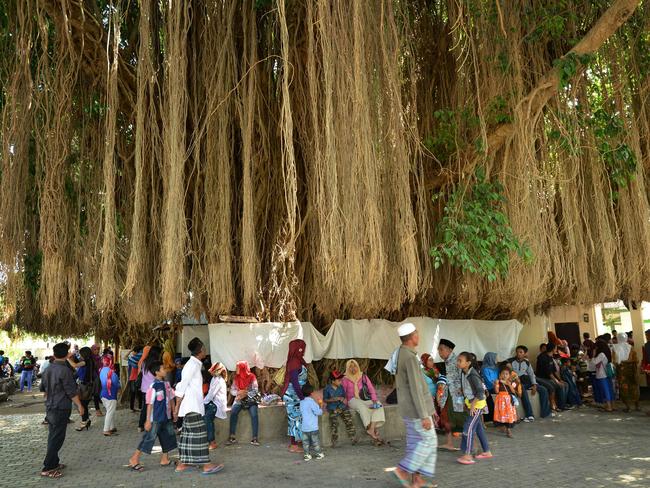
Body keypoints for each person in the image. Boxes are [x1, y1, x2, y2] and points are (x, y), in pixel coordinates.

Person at [393, 323, 438, 488]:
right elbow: (416, 388)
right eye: (417, 334)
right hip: (417, 411)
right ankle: (402, 470)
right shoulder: (410, 358)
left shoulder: (401, 353)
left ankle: (417, 481)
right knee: (430, 442)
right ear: (412, 337)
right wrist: (424, 415)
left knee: (415, 443)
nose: (418, 336)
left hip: (409, 409)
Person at [174, 337, 223, 475]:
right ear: (200, 351)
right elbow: (182, 385)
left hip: (192, 406)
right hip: (192, 406)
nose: (205, 351)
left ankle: (182, 464)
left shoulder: (194, 364)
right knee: (200, 436)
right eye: (204, 349)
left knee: (188, 436)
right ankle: (206, 465)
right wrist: (177, 406)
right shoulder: (192, 365)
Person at [40, 342, 85, 479]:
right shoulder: (65, 370)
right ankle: (48, 467)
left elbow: (43, 389)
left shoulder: (48, 369)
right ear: (66, 355)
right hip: (61, 407)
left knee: (53, 436)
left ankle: (54, 462)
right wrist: (80, 406)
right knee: (57, 438)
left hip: (50, 407)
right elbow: (71, 391)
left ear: (54, 354)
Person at [128, 360, 178, 471]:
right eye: (163, 369)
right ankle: (134, 459)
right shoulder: (153, 386)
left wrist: (174, 412)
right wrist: (147, 420)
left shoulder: (167, 384)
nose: (165, 370)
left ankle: (165, 459)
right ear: (157, 372)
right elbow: (149, 404)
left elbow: (171, 399)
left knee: (168, 437)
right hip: (155, 418)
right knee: (148, 438)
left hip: (166, 417)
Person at [457, 352, 492, 465]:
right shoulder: (464, 372)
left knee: (468, 429)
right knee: (478, 429)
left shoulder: (473, 375)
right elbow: (469, 388)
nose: (458, 362)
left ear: (468, 363)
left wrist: (472, 406)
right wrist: (463, 393)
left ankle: (468, 455)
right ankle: (487, 451)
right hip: (472, 404)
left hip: (476, 406)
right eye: (458, 360)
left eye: (460, 360)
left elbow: (480, 392)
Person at [342, 359, 386, 446]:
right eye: (350, 367)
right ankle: (372, 431)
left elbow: (370, 389)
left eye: (354, 366)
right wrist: (345, 404)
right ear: (347, 368)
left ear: (357, 366)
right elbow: (343, 393)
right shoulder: (345, 378)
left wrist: (374, 400)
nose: (353, 368)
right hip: (352, 399)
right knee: (362, 407)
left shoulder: (363, 376)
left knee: (378, 405)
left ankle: (371, 429)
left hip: (365, 398)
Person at [437, 338, 466, 451]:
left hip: (457, 395)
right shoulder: (447, 361)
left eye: (441, 350)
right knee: (445, 417)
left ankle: (473, 445)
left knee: (462, 418)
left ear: (449, 350)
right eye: (438, 350)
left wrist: (463, 390)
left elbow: (463, 375)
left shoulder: (457, 360)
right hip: (448, 394)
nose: (439, 352)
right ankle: (449, 443)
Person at [509, 345, 551, 419]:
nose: (518, 353)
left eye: (521, 352)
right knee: (523, 391)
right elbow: (506, 370)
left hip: (526, 381)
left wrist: (534, 385)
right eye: (517, 352)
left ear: (525, 353)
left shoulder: (527, 363)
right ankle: (529, 414)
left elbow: (531, 374)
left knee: (543, 390)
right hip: (516, 382)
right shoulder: (510, 361)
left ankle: (545, 413)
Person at [281, 339, 308, 453]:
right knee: (294, 419)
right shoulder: (294, 362)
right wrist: (302, 397)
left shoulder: (297, 360)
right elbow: (295, 382)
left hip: (297, 394)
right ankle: (293, 445)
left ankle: (298, 441)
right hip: (293, 395)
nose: (303, 351)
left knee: (298, 418)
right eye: (302, 348)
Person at [227, 360, 260, 446]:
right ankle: (232, 436)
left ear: (242, 368)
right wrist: (238, 393)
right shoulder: (236, 378)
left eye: (238, 367)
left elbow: (255, 390)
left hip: (250, 400)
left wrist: (245, 393)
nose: (236, 369)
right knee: (233, 412)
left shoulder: (252, 377)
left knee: (254, 414)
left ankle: (255, 438)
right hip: (239, 399)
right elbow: (232, 390)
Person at [323, 370, 357, 447]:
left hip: (342, 406)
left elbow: (344, 397)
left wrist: (343, 399)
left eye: (341, 380)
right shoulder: (327, 389)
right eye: (338, 380)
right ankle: (334, 441)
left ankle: (353, 438)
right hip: (332, 408)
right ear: (332, 381)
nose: (340, 382)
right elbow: (325, 399)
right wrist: (334, 399)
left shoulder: (341, 387)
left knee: (349, 420)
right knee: (334, 423)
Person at [535, 343, 570, 411]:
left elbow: (554, 371)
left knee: (566, 384)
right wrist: (557, 381)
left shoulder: (551, 357)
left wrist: (560, 379)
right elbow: (549, 373)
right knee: (560, 386)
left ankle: (563, 404)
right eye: (556, 348)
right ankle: (560, 406)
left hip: (549, 377)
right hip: (541, 378)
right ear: (553, 349)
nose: (556, 350)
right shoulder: (542, 357)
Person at [612, 332, 640, 412]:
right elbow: (636, 360)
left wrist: (620, 364)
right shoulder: (631, 347)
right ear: (626, 338)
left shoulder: (614, 347)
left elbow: (614, 361)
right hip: (631, 370)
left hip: (621, 370)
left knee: (624, 388)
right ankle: (637, 406)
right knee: (634, 386)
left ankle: (628, 407)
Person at [73, 346, 98, 431]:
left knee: (81, 404)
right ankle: (86, 420)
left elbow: (75, 365)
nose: (80, 356)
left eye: (80, 354)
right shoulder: (90, 361)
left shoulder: (86, 362)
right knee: (83, 404)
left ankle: (84, 421)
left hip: (85, 386)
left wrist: (67, 358)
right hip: (87, 385)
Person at [204, 362, 228, 450]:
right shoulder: (214, 378)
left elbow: (211, 394)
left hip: (217, 404)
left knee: (207, 418)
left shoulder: (218, 380)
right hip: (213, 402)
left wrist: (203, 403)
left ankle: (212, 442)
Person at [139, 345, 162, 431]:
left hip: (144, 388)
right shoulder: (156, 363)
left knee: (145, 407)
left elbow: (143, 373)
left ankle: (140, 425)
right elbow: (157, 375)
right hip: (153, 388)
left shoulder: (144, 362)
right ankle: (151, 424)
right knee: (154, 407)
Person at [299, 384, 324, 461]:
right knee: (315, 442)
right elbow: (318, 412)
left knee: (305, 443)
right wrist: (320, 406)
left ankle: (307, 455)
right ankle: (318, 454)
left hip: (304, 427)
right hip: (313, 427)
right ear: (312, 393)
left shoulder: (302, 402)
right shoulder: (312, 402)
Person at [493, 364, 517, 438]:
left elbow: (513, 392)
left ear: (509, 375)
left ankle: (508, 430)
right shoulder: (498, 382)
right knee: (501, 414)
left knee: (508, 415)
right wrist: (496, 384)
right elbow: (497, 391)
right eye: (503, 373)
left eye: (507, 374)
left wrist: (509, 385)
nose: (505, 375)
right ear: (500, 375)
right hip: (501, 401)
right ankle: (503, 427)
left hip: (508, 401)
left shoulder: (511, 383)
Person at [99, 355, 121, 436]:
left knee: (109, 411)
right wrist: (120, 385)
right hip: (110, 395)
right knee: (110, 412)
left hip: (103, 394)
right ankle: (106, 430)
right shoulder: (112, 372)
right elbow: (116, 384)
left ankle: (112, 427)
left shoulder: (101, 370)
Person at [591, 340, 615, 412]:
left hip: (602, 374)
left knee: (606, 390)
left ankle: (609, 406)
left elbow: (594, 362)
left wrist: (593, 354)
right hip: (608, 374)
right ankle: (613, 405)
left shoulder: (601, 354)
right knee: (610, 390)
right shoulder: (607, 352)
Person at [480, 352, 499, 423]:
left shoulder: (496, 368)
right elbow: (488, 381)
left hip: (497, 386)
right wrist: (496, 385)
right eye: (495, 358)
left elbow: (499, 378)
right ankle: (491, 418)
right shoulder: (484, 368)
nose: (497, 359)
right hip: (489, 388)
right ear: (490, 358)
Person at [127, 346, 143, 412]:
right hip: (136, 378)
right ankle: (138, 407)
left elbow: (125, 357)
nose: (132, 352)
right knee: (138, 393)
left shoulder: (135, 359)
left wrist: (130, 351)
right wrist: (131, 351)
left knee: (134, 393)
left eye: (133, 351)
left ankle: (133, 407)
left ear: (136, 352)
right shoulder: (140, 359)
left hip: (134, 378)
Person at [90, 344, 104, 416]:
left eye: (98, 349)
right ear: (92, 350)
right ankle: (97, 410)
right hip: (93, 378)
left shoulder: (99, 357)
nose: (97, 351)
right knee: (95, 394)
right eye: (95, 349)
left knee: (97, 393)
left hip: (99, 377)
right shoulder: (90, 358)